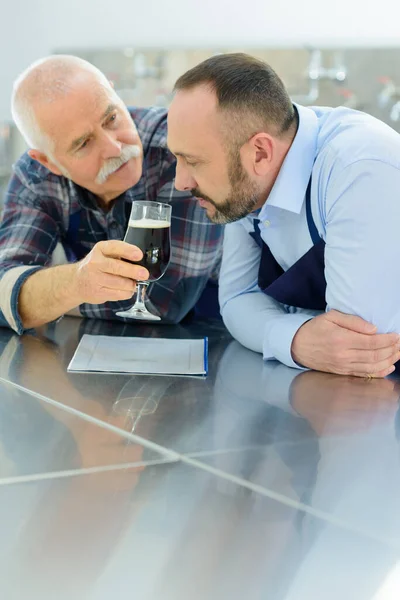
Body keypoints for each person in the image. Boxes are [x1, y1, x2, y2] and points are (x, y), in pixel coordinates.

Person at [167, 52, 400, 378]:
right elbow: (236, 301)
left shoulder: (358, 169)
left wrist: (273, 324)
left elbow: (359, 347)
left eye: (194, 161)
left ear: (260, 152)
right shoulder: (246, 186)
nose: (180, 182)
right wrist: (297, 339)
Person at [0, 55, 222, 334]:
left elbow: (164, 304)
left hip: (217, 339)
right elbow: (3, 290)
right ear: (49, 162)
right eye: (83, 143)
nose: (114, 148)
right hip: (99, 349)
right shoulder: (34, 176)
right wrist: (76, 283)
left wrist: (45, 297)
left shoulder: (177, 149)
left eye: (111, 118)